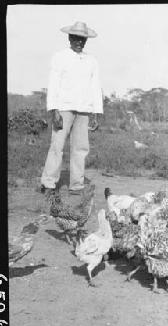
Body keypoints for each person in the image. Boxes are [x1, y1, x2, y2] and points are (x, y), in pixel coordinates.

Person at [40, 21, 103, 195]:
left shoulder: (92, 61)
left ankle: (76, 185)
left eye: (82, 39)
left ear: (86, 40)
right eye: (76, 38)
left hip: (84, 110)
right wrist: (54, 110)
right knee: (57, 146)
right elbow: (53, 85)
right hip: (63, 109)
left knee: (80, 149)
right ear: (69, 37)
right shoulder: (59, 57)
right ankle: (49, 183)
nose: (79, 42)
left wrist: (96, 113)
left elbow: (95, 87)